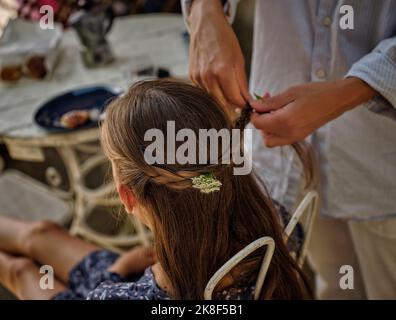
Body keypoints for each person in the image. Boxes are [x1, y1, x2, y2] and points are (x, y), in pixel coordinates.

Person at [0, 80, 311, 300]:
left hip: (128, 285)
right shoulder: (271, 222)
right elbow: (206, 184)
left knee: (21, 272)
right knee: (40, 234)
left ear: (127, 196)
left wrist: (118, 272)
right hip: (154, 281)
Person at [182, 0, 396, 299]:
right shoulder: (230, 186)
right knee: (335, 284)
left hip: (382, 167)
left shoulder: (228, 190)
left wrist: (355, 89)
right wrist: (205, 9)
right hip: (287, 171)